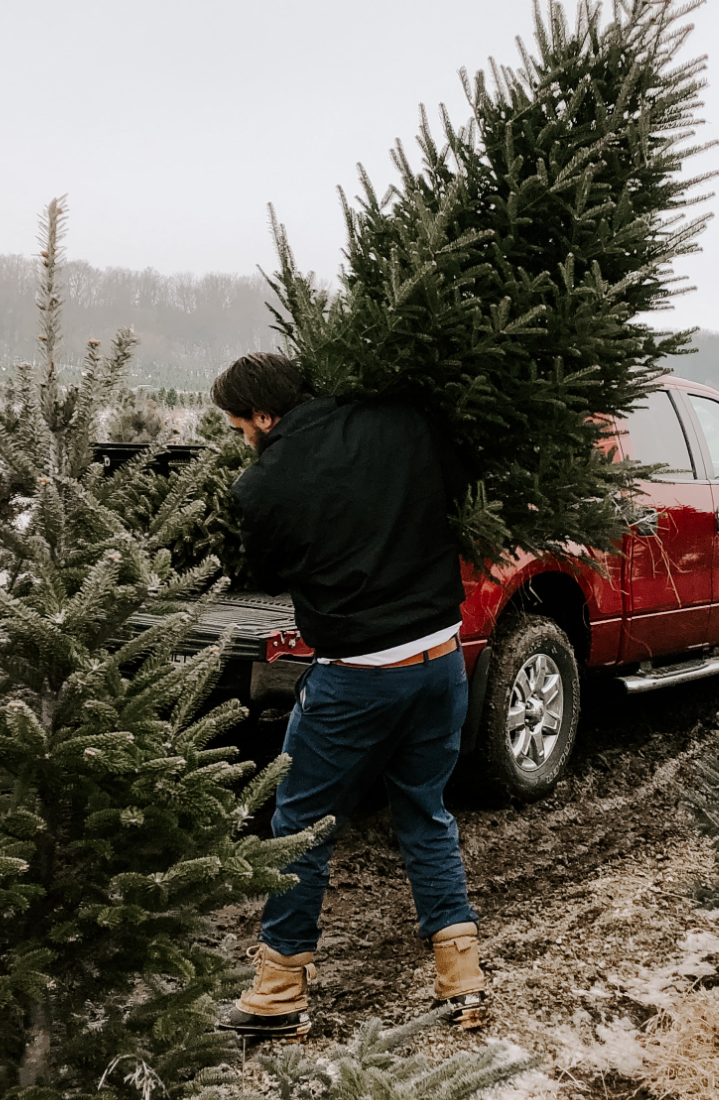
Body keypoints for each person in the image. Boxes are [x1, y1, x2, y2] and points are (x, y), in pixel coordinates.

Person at [210, 352, 488, 1041]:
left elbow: (268, 571)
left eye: (243, 426)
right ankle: (463, 983)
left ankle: (277, 995)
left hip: (356, 675)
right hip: (441, 659)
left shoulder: (264, 484)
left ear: (264, 415)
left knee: (301, 824)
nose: (246, 438)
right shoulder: (404, 421)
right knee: (424, 811)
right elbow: (460, 491)